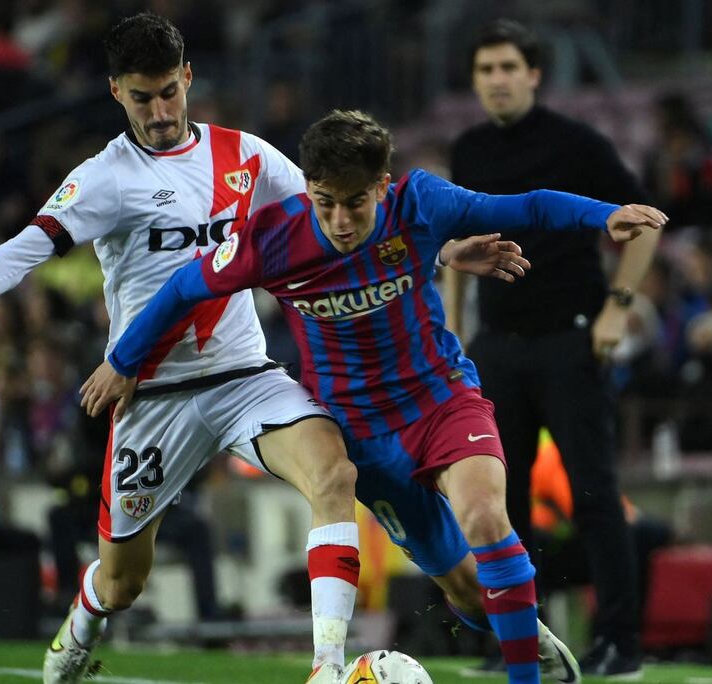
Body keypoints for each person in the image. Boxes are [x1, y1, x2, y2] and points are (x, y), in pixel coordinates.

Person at [0, 12, 513, 684]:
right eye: (143, 97)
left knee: (335, 475)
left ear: (188, 77)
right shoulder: (104, 178)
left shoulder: (246, 155)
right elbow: (23, 251)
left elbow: (347, 210)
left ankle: (327, 668)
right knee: (123, 581)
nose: (161, 110)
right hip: (151, 395)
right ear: (116, 93)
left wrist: (442, 244)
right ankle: (77, 633)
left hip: (245, 376)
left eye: (170, 91)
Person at [82, 108, 667, 684]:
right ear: (308, 188)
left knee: (489, 517)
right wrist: (124, 361)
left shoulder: (421, 203)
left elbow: (527, 205)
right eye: (324, 201)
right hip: (365, 439)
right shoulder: (271, 239)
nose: (339, 220)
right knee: (465, 589)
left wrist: (606, 215)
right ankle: (524, 631)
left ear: (382, 187)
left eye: (355, 202)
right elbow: (185, 286)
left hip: (441, 400)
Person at [447, 19, 659, 678]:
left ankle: (619, 642)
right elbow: (457, 245)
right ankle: (514, 640)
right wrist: (455, 331)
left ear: (534, 74)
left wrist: (616, 309)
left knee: (595, 494)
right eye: (486, 70)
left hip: (571, 338)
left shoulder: (578, 143)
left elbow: (645, 222)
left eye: (509, 67)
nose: (497, 80)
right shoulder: (468, 150)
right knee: (499, 507)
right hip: (498, 347)